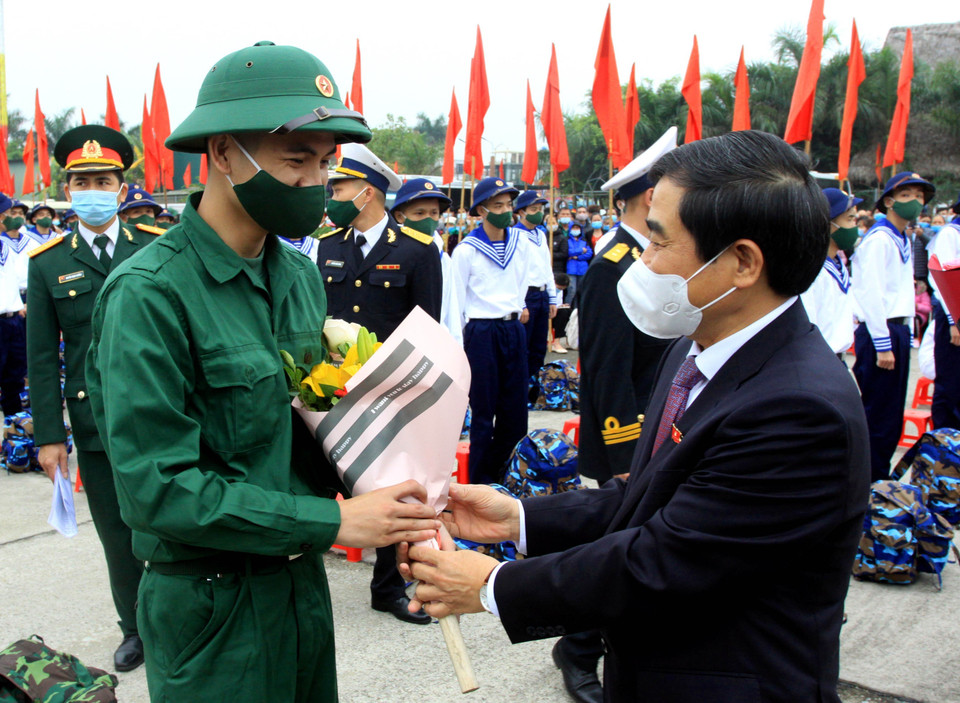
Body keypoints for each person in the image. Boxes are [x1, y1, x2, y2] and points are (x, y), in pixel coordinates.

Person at [403, 130, 870, 703]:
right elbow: (652, 499)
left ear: (743, 263)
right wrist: (521, 519)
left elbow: (663, 562)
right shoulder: (697, 347)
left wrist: (493, 585)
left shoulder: (798, 410)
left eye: (658, 241)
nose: (642, 262)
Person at [85, 42, 441, 703]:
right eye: (296, 159)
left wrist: (392, 472)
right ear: (223, 153)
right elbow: (157, 490)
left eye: (326, 162)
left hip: (298, 587)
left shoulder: (300, 277)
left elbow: (307, 430)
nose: (316, 181)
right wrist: (334, 524)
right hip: (211, 606)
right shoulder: (149, 293)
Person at [27, 124, 163, 673]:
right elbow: (41, 358)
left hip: (159, 413)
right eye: (81, 181)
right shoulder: (46, 262)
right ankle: (135, 627)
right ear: (67, 190)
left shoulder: (154, 247)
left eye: (103, 179)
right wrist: (49, 438)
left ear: (122, 187)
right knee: (117, 530)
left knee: (169, 521)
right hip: (96, 421)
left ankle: (177, 619)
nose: (93, 189)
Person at [551, 128, 677, 702]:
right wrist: (625, 454)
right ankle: (577, 649)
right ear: (643, 198)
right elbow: (605, 370)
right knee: (619, 550)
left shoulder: (652, 256)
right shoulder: (613, 266)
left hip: (660, 425)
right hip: (628, 435)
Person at [851, 172, 934, 481]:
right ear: (888, 201)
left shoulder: (902, 237)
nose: (916, 201)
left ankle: (880, 482)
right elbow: (870, 293)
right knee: (879, 417)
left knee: (890, 418)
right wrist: (883, 343)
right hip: (880, 331)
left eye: (920, 196)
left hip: (896, 329)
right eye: (906, 195)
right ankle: (869, 486)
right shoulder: (879, 239)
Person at [452, 177, 532, 485]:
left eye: (509, 205)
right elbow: (458, 299)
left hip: (512, 327)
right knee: (483, 411)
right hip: (481, 332)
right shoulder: (466, 250)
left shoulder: (520, 243)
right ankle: (480, 480)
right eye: (497, 205)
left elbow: (521, 282)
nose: (505, 211)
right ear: (482, 211)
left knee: (515, 409)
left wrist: (517, 308)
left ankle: (510, 475)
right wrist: (460, 345)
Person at [390, 177, 462, 345]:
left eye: (434, 213)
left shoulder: (443, 258)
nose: (428, 219)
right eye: (420, 213)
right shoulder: (389, 253)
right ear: (400, 216)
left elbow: (451, 310)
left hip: (437, 342)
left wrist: (457, 345)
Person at [800, 188, 860, 356]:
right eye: (849, 220)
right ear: (827, 223)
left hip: (837, 357)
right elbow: (807, 327)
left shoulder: (837, 263)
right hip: (819, 359)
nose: (854, 227)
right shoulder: (812, 270)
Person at [513, 191, 557, 394]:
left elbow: (547, 268)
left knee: (539, 346)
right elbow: (515, 272)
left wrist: (552, 297)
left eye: (540, 210)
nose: (538, 213)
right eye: (533, 210)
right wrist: (520, 302)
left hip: (542, 294)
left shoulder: (540, 233)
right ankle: (521, 387)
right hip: (526, 295)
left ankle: (535, 386)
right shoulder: (514, 235)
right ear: (521, 212)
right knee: (524, 345)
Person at [927, 190, 960, 429]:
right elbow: (943, 278)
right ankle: (945, 454)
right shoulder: (952, 233)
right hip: (954, 316)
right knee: (950, 388)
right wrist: (953, 321)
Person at [0, 193, 26, 417]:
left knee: (14, 379)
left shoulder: (5, 246)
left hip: (12, 320)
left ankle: (13, 428)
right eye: (5, 214)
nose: (8, 218)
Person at [564, 221, 592, 308]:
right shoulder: (567, 240)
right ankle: (567, 308)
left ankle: (578, 309)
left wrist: (577, 257)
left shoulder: (584, 241)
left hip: (582, 269)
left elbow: (589, 253)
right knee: (572, 291)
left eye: (577, 228)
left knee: (581, 291)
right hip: (571, 269)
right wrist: (581, 251)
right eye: (574, 228)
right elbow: (568, 252)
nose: (575, 230)